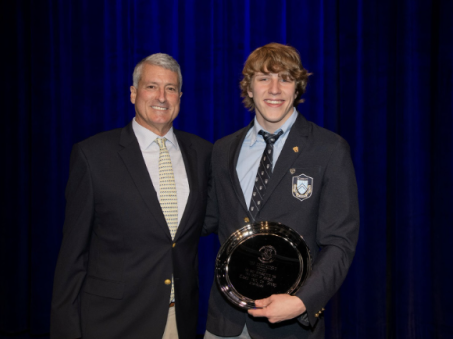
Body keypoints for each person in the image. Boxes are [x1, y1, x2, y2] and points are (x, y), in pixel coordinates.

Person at [203, 43, 359, 339]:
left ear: (297, 88)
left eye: (285, 79)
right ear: (249, 88)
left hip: (289, 326)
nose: (274, 89)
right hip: (225, 323)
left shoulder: (328, 149)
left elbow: (341, 242)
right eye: (263, 78)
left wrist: (302, 302)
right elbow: (206, 219)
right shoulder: (223, 150)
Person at [50, 53, 212, 339]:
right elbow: (73, 256)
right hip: (111, 322)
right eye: (151, 87)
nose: (161, 97)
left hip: (179, 319)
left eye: (170, 89)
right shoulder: (93, 156)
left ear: (180, 96)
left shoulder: (202, 153)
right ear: (133, 93)